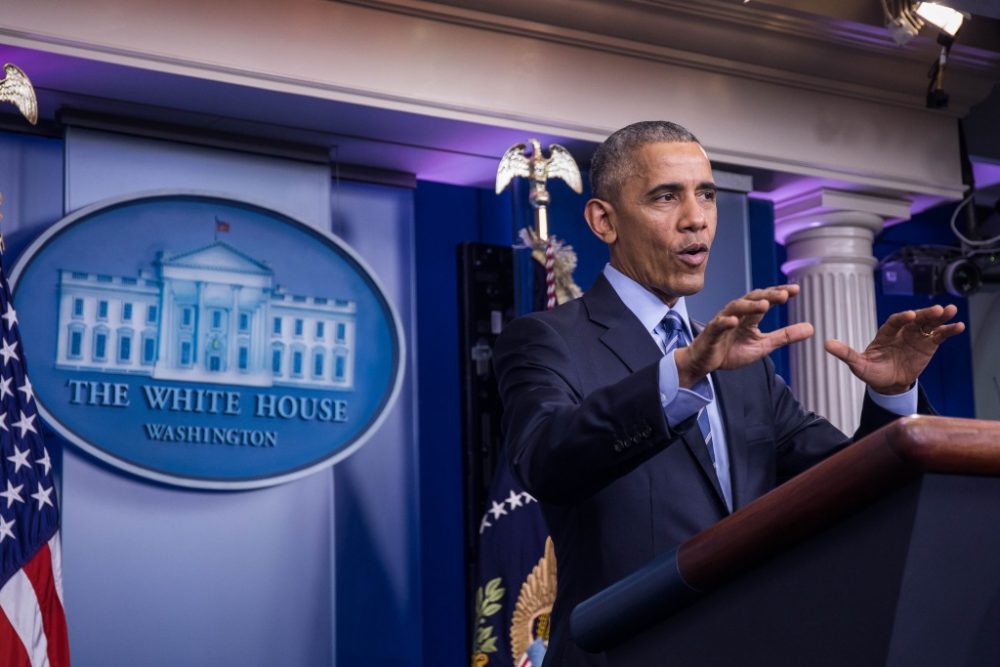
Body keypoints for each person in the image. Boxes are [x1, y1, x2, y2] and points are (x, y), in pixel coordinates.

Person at [492, 120, 964, 666]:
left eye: (707, 195)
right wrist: (680, 375)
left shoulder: (741, 367)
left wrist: (893, 395)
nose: (696, 218)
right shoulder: (548, 340)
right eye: (665, 197)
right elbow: (548, 459)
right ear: (604, 221)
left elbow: (849, 486)